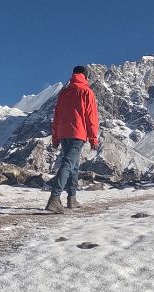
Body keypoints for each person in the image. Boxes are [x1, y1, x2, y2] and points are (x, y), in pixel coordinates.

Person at [46, 65, 100, 213]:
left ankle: (72, 198)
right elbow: (91, 116)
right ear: (86, 76)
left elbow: (56, 116)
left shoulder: (64, 93)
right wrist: (93, 138)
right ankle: (54, 198)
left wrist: (55, 137)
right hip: (78, 132)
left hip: (64, 133)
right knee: (69, 163)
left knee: (74, 165)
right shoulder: (86, 92)